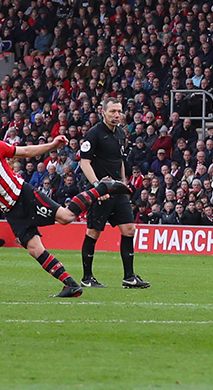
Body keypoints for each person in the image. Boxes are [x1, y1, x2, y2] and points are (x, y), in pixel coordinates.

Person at [0, 121, 130, 297]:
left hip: (24, 195)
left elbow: (25, 151)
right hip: (11, 211)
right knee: (34, 249)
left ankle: (102, 188)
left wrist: (52, 145)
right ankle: (71, 285)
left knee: (66, 217)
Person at [78, 98, 149, 289]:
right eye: (113, 111)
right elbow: (84, 162)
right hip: (100, 193)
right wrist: (96, 187)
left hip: (117, 191)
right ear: (103, 112)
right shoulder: (94, 134)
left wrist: (124, 185)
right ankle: (87, 277)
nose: (117, 115)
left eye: (119, 111)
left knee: (129, 230)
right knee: (93, 232)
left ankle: (129, 277)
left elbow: (120, 161)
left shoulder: (120, 133)